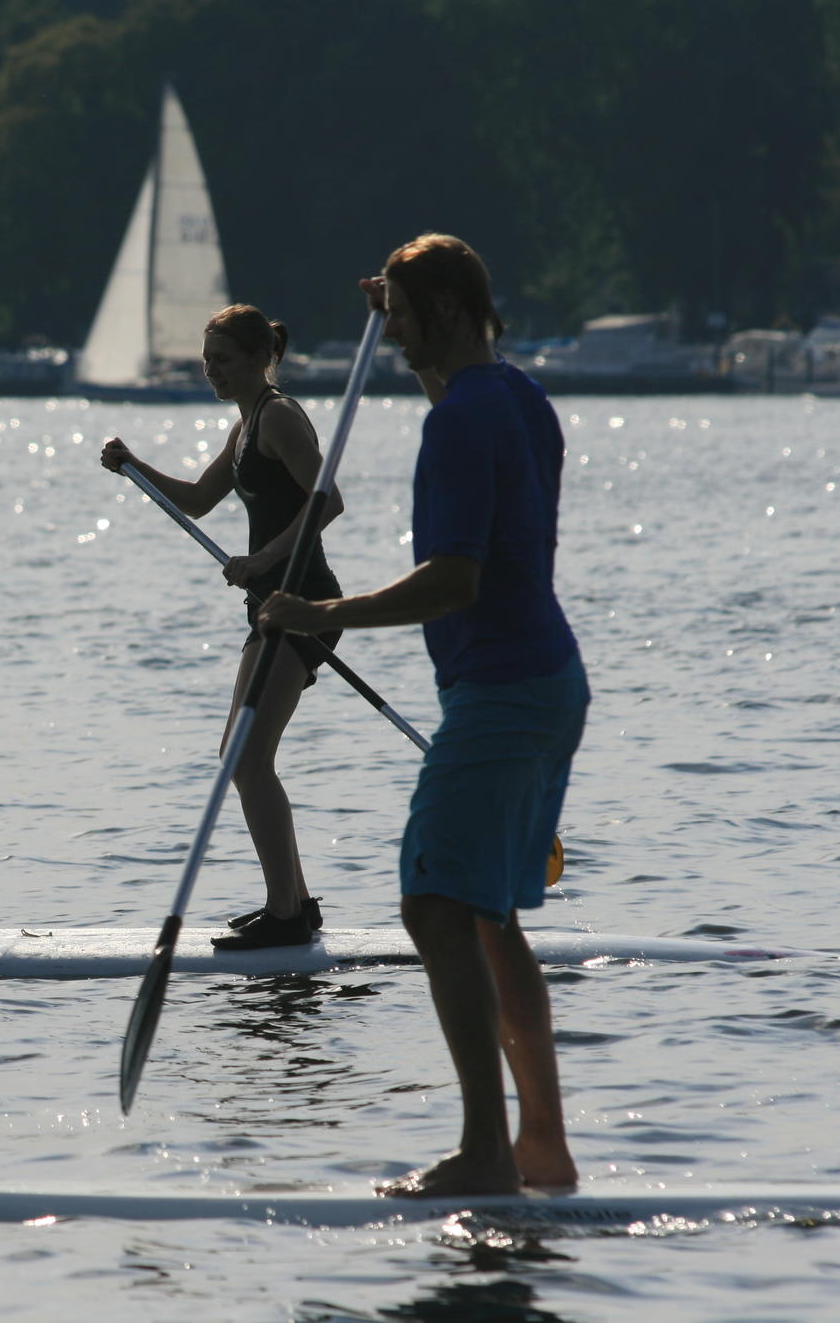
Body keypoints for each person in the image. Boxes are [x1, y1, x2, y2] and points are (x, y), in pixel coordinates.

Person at [258, 233, 586, 1197]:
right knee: (488, 918)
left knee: (432, 905)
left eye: (401, 312)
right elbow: (462, 374)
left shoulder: (459, 422)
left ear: (442, 309)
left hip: (500, 692)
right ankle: (542, 1150)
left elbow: (456, 577)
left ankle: (486, 1151)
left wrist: (324, 611)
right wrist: (408, 290)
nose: (387, 330)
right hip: (551, 681)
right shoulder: (520, 396)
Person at [100, 304, 345, 951]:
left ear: (259, 357)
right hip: (270, 605)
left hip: (304, 601)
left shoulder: (282, 417)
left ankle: (287, 912)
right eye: (207, 361)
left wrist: (264, 559)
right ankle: (297, 904)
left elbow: (330, 499)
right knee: (242, 756)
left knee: (247, 757)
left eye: (223, 360)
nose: (212, 372)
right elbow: (199, 500)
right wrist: (134, 467)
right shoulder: (245, 428)